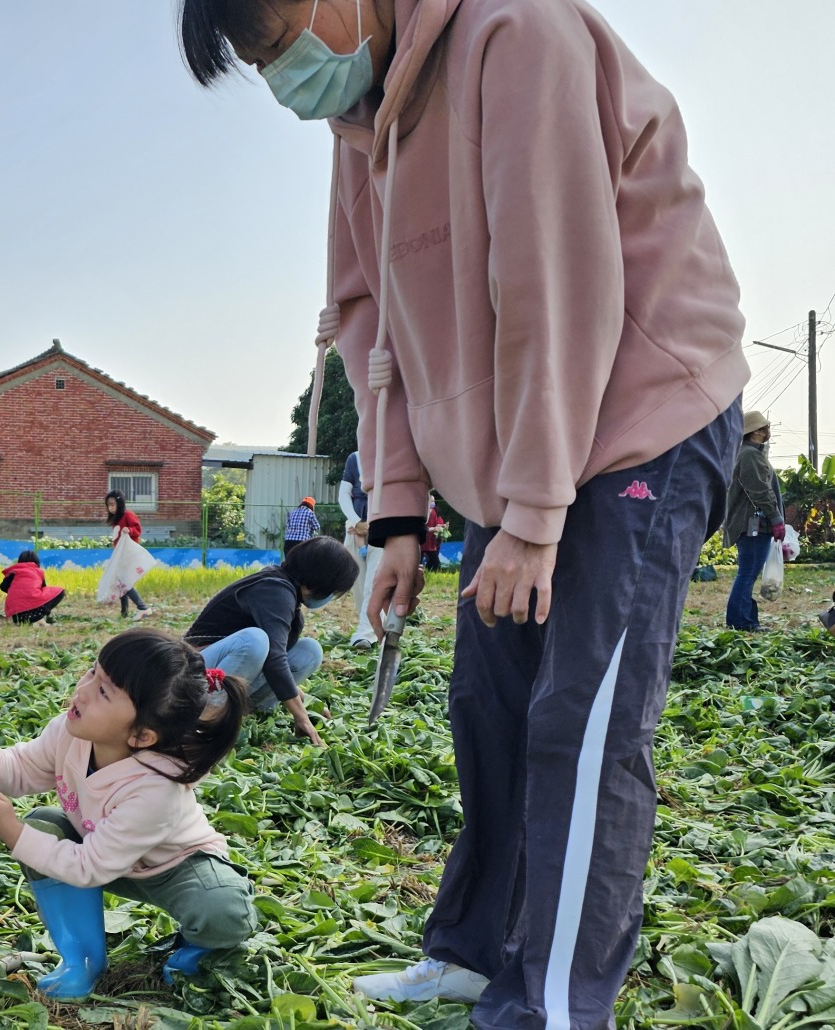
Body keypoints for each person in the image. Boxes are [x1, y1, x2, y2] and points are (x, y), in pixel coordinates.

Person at [179, 2, 750, 1026]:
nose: (284, 79)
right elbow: (371, 324)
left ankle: (556, 1007)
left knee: (579, 723)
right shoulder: (362, 125)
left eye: (278, 43)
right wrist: (399, 515)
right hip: (510, 455)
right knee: (487, 708)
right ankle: (476, 955)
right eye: (262, 64)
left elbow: (555, 281)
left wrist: (533, 517)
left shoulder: (513, 32)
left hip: (637, 420)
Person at [0, 628, 256, 1000]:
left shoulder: (155, 788)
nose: (82, 690)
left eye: (103, 691)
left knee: (222, 909)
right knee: (44, 826)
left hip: (176, 868)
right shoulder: (71, 733)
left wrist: (8, 829)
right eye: (91, 672)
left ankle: (201, 952)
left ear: (142, 736)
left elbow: (88, 867)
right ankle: (80, 962)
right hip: (105, 855)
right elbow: (22, 765)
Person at [183, 535, 357, 746]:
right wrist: (301, 717)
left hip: (224, 671)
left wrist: (309, 704)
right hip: (192, 674)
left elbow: (277, 660)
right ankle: (204, 720)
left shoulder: (286, 592)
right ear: (319, 580)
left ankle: (243, 713)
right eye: (331, 590)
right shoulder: (275, 590)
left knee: (309, 650)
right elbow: (274, 658)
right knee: (254, 641)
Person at [723, 410, 784, 631]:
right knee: (747, 573)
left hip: (754, 523)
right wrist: (776, 518)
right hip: (754, 524)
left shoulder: (752, 453)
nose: (768, 431)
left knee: (748, 572)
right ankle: (741, 622)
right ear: (755, 431)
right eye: (764, 427)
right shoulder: (749, 454)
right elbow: (759, 491)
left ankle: (745, 620)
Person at [339, 450, 380, 648]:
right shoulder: (354, 458)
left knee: (373, 583)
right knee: (357, 582)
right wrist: (356, 522)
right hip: (355, 531)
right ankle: (375, 625)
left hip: (382, 530)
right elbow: (344, 494)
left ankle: (364, 633)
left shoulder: (393, 453)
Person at [105, 490, 152, 619]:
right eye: (109, 505)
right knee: (122, 583)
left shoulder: (128, 515)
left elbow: (138, 530)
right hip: (121, 556)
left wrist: (129, 530)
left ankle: (143, 608)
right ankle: (124, 613)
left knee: (125, 583)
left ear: (120, 503)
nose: (111, 508)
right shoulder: (116, 520)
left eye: (113, 504)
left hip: (129, 555)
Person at [1, 550, 66, 624]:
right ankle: (45, 613)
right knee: (60, 591)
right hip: (34, 614)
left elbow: (2, 587)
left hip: (16, 616)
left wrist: (16, 591)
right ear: (37, 561)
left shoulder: (14, 572)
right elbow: (43, 589)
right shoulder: (38, 572)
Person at [421, 497, 446, 572]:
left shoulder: (434, 512)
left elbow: (436, 525)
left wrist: (442, 526)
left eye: (433, 501)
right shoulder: (422, 513)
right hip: (421, 541)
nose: (433, 503)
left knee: (435, 563)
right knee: (418, 562)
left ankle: (430, 574)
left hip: (431, 543)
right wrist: (434, 529)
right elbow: (423, 527)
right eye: (431, 501)